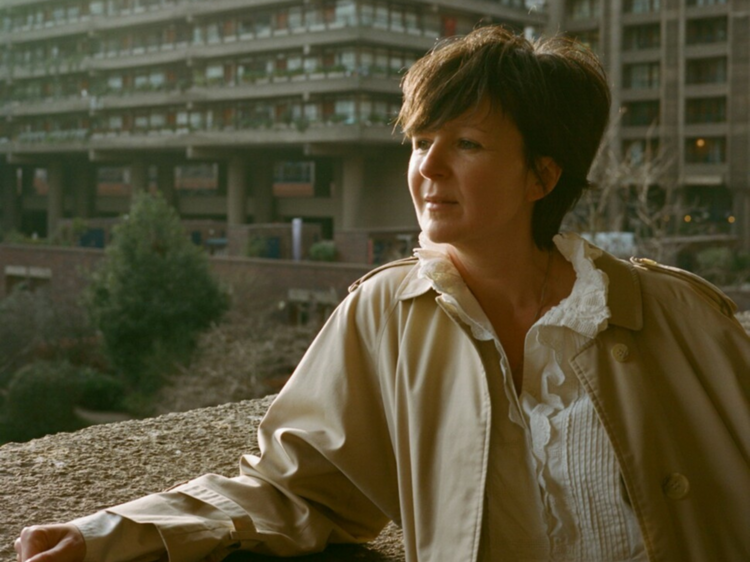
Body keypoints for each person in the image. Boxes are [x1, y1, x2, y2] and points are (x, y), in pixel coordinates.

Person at [15, 25, 750, 562]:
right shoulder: (385, 316)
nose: (428, 168)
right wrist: (108, 533)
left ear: (542, 177)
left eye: (466, 144)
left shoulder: (678, 315)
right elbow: (290, 485)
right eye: (419, 140)